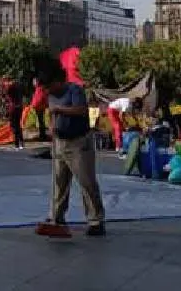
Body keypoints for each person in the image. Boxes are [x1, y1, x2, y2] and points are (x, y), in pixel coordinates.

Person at [35, 58, 105, 238]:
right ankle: (56, 218)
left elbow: (81, 110)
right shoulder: (50, 95)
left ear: (58, 82)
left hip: (79, 143)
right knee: (59, 182)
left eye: (48, 87)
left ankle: (96, 220)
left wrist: (59, 110)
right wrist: (52, 126)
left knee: (86, 182)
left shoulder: (74, 90)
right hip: (60, 142)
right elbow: (51, 112)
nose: (47, 91)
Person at [0, 77, 24, 150]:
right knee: (18, 124)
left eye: (4, 81)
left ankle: (17, 145)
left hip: (13, 108)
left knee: (13, 126)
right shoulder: (18, 86)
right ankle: (21, 143)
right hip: (20, 107)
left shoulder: (9, 87)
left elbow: (2, 97)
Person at [30, 77, 50, 141]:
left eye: (34, 82)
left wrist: (33, 105)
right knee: (40, 121)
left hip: (40, 107)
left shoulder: (40, 89)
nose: (33, 83)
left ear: (37, 82)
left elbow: (39, 99)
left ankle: (42, 135)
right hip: (39, 107)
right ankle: (42, 134)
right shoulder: (39, 88)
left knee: (41, 121)